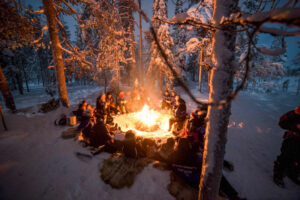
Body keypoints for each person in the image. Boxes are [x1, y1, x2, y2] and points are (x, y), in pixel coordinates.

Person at [273, 107, 300, 187]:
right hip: (292, 140)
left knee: (298, 160)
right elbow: (282, 123)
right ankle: (278, 175)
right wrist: (294, 114)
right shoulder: (296, 114)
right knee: (285, 157)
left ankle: (293, 173)